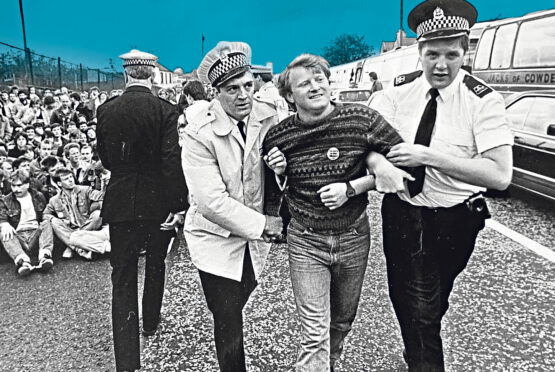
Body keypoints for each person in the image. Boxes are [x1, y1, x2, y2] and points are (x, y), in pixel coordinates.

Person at [368, 1, 513, 370]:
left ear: (466, 51)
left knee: (427, 306)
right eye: (432, 54)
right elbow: (366, 142)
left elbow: (499, 174)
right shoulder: (397, 94)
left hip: (454, 221)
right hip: (402, 215)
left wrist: (428, 157)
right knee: (415, 307)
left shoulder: (483, 102)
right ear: (419, 52)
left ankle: (417, 350)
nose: (441, 65)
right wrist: (377, 163)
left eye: (452, 54)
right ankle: (420, 357)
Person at [263, 53, 409, 372]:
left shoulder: (362, 119)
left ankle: (331, 360)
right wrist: (281, 171)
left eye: (320, 79)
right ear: (289, 95)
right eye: (305, 83)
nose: (315, 87)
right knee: (315, 332)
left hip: (353, 235)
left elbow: (402, 164)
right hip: (305, 240)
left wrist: (353, 188)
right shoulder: (279, 136)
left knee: (341, 322)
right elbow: (273, 188)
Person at [181, 41, 283, 372]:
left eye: (248, 86)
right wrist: (265, 225)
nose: (243, 96)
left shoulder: (269, 118)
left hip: (252, 237)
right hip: (215, 237)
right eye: (231, 89)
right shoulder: (199, 133)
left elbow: (283, 173)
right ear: (215, 92)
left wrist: (282, 170)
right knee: (226, 315)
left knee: (241, 297)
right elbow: (211, 201)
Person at [96, 49, 187, 372]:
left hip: (120, 200)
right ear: (150, 74)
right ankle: (150, 320)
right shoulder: (165, 110)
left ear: (126, 74)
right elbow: (170, 161)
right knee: (156, 263)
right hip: (157, 200)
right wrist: (179, 206)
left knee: (122, 277)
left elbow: (106, 159)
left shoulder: (107, 110)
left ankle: (127, 363)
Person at [43, 167, 105, 260]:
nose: (70, 180)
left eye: (71, 177)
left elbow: (101, 196)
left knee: (98, 214)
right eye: (66, 179)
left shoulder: (85, 190)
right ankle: (80, 250)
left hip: (85, 225)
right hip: (69, 228)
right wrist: (52, 218)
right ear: (59, 183)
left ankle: (71, 246)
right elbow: (45, 214)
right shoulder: (54, 200)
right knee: (53, 222)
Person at [0, 169, 54, 276]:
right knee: (4, 231)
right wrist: (4, 224)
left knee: (46, 222)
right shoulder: (5, 200)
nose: (16, 189)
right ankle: (23, 262)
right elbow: (2, 217)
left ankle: (44, 257)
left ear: (27, 184)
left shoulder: (38, 196)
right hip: (18, 235)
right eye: (13, 186)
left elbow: (45, 214)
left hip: (35, 233)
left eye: (19, 185)